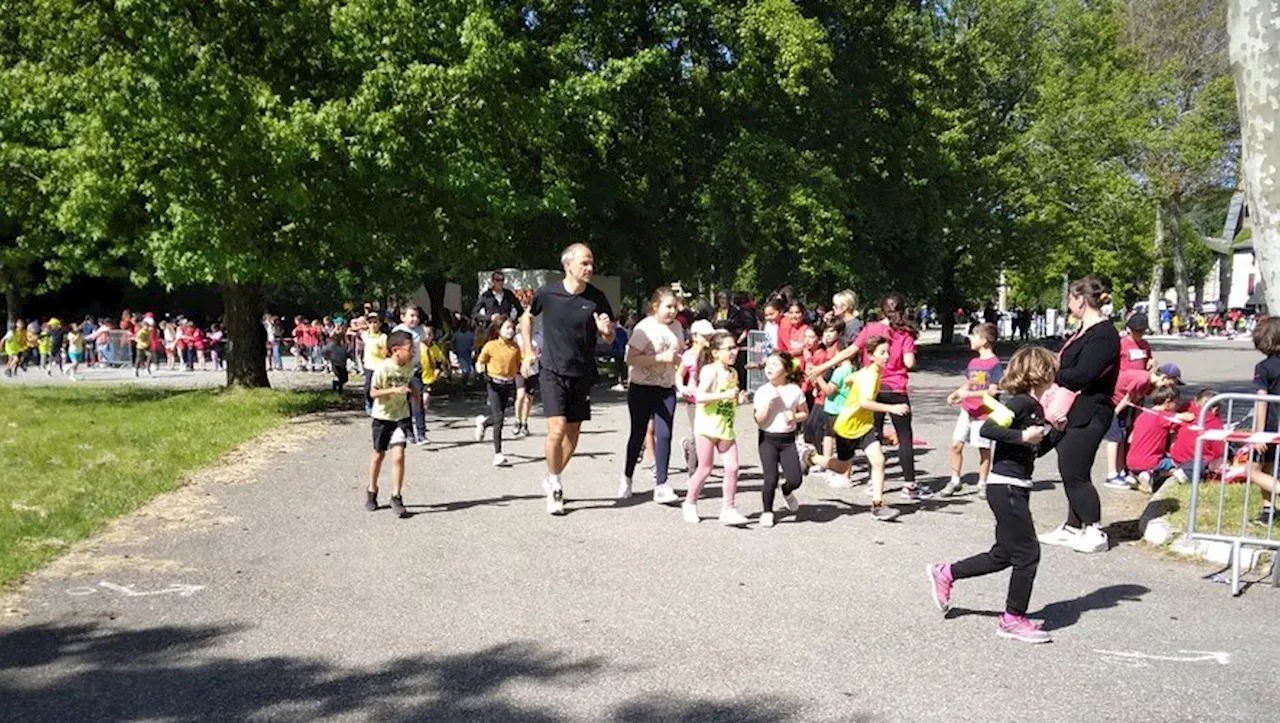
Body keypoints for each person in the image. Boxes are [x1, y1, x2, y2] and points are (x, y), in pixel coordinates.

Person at [926, 345, 1059, 645]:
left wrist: (1055, 432)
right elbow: (987, 429)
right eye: (1052, 370)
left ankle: (945, 572)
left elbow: (1034, 450)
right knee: (1028, 553)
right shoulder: (1021, 404)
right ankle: (1012, 619)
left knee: (1005, 554)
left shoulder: (1035, 408)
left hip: (1018, 485)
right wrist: (1023, 435)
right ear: (1041, 373)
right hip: (1005, 486)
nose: (1056, 377)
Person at [520, 243, 615, 516]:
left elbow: (609, 336)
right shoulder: (548, 293)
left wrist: (606, 331)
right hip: (552, 370)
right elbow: (527, 318)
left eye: (591, 263)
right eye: (584, 263)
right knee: (557, 429)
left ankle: (552, 475)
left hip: (582, 371)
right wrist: (527, 350)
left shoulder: (597, 297)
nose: (590, 268)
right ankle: (557, 486)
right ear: (568, 265)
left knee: (573, 434)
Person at [1038, 277, 1121, 554]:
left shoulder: (1105, 335)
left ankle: (1095, 529)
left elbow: (1083, 374)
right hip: (1073, 410)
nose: (1068, 304)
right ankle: (1073, 526)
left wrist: (1051, 374)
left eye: (1071, 299)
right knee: (1070, 467)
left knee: (1075, 472)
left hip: (1092, 410)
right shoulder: (1083, 331)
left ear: (1081, 300)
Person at [802, 335, 907, 521]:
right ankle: (811, 458)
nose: (887, 356)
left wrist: (850, 385)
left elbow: (850, 379)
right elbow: (865, 402)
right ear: (871, 355)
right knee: (842, 468)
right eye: (882, 353)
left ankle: (878, 504)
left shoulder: (868, 371)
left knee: (879, 460)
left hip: (864, 426)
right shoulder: (871, 375)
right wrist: (892, 408)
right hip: (848, 426)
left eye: (888, 353)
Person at [618, 287, 685, 503]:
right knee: (638, 435)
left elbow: (679, 353)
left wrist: (679, 362)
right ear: (655, 307)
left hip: (666, 388)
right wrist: (660, 358)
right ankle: (627, 477)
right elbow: (630, 359)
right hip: (641, 388)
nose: (673, 311)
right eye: (668, 307)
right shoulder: (643, 328)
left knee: (664, 434)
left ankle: (662, 484)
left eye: (675, 307)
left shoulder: (677, 327)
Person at [681, 331, 749, 525]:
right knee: (704, 468)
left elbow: (730, 399)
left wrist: (738, 399)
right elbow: (700, 397)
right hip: (707, 428)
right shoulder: (710, 371)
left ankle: (729, 508)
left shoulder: (733, 373)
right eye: (729, 348)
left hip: (725, 426)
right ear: (716, 352)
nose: (734, 352)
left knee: (733, 468)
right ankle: (690, 503)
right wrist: (725, 396)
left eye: (735, 347)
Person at [944, 323, 1002, 498]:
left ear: (984, 341)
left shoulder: (994, 363)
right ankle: (955, 480)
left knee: (983, 448)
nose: (970, 338)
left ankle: (983, 482)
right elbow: (970, 382)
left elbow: (992, 390)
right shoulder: (974, 362)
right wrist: (957, 392)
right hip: (967, 410)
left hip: (984, 413)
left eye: (974, 335)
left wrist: (969, 393)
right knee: (956, 445)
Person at [1103, 363, 1182, 489]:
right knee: (1114, 438)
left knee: (1122, 436)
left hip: (1125, 407)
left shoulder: (1148, 385)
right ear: (1164, 377)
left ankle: (1121, 470)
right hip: (1115, 404)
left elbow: (1138, 401)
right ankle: (1111, 474)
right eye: (1170, 383)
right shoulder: (1142, 380)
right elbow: (1128, 398)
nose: (1169, 387)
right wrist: (1115, 414)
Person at [755, 350, 809, 528]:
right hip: (767, 439)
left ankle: (787, 491)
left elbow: (804, 413)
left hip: (787, 440)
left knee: (795, 479)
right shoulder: (762, 391)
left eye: (775, 364)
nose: (769, 368)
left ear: (786, 371)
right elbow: (759, 419)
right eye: (768, 364)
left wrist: (794, 417)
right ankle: (767, 511)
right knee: (770, 478)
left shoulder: (794, 390)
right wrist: (768, 406)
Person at [366, 330, 415, 518]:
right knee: (379, 455)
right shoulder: (383, 368)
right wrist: (395, 389)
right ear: (396, 350)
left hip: (400, 417)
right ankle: (372, 489)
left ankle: (396, 495)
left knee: (399, 455)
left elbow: (411, 383)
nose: (413, 353)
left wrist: (416, 395)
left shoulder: (408, 366)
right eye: (410, 349)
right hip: (382, 417)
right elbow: (373, 393)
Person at [474, 316, 523, 467]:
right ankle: (498, 454)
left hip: (508, 385)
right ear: (498, 329)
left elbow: (519, 365)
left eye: (512, 328)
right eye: (507, 327)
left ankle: (483, 421)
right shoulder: (491, 345)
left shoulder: (515, 347)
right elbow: (480, 361)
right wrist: (480, 367)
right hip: (493, 384)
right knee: (499, 418)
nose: (510, 330)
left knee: (497, 417)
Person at [1125, 386, 1191, 492]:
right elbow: (1187, 417)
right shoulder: (1164, 417)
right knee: (1176, 462)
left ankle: (1136, 476)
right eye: (1176, 403)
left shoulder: (1142, 415)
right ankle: (1156, 474)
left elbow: (1130, 439)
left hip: (1131, 461)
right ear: (1168, 402)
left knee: (1144, 463)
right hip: (1151, 461)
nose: (1177, 406)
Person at [1248, 317, 1280, 526]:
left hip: (1270, 426)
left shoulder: (1264, 367)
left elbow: (1262, 400)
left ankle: (1272, 498)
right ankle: (1269, 510)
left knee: (1253, 470)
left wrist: (1258, 432)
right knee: (1268, 467)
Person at [678, 319, 716, 472]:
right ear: (695, 337)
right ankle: (693, 472)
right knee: (697, 434)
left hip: (711, 399)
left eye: (709, 336)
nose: (708, 339)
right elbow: (679, 374)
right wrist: (682, 387)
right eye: (704, 336)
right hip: (694, 400)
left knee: (709, 434)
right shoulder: (688, 355)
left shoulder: (712, 355)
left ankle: (688, 447)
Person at [392, 304, 430, 446]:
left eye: (417, 316)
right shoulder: (398, 331)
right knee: (403, 402)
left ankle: (421, 433)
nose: (415, 319)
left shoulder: (421, 330)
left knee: (417, 401)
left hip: (416, 370)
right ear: (403, 317)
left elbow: (427, 346)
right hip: (401, 370)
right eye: (411, 316)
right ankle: (407, 431)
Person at [1169, 388, 1224, 483]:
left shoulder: (1186, 412)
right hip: (1196, 460)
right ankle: (1187, 473)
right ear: (1215, 409)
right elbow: (1218, 450)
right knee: (1220, 461)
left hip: (1176, 456)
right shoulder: (1215, 424)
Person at [513, 327, 541, 437]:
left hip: (533, 371)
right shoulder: (518, 338)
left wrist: (536, 357)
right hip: (519, 370)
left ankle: (524, 422)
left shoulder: (538, 337)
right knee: (520, 395)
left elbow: (542, 352)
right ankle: (517, 420)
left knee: (529, 398)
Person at [361, 314, 388, 415]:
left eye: (375, 322)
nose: (373, 325)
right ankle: (368, 402)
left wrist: (381, 350)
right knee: (367, 387)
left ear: (380, 324)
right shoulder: (365, 335)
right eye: (370, 322)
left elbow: (386, 353)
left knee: (379, 386)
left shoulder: (383, 337)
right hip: (368, 365)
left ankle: (379, 404)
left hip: (379, 366)